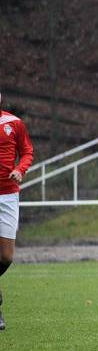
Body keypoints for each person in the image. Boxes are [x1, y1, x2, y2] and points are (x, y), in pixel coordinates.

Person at [0, 90, 34, 331]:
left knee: (6, 257)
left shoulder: (13, 123)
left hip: (8, 195)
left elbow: (27, 151)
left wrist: (20, 170)